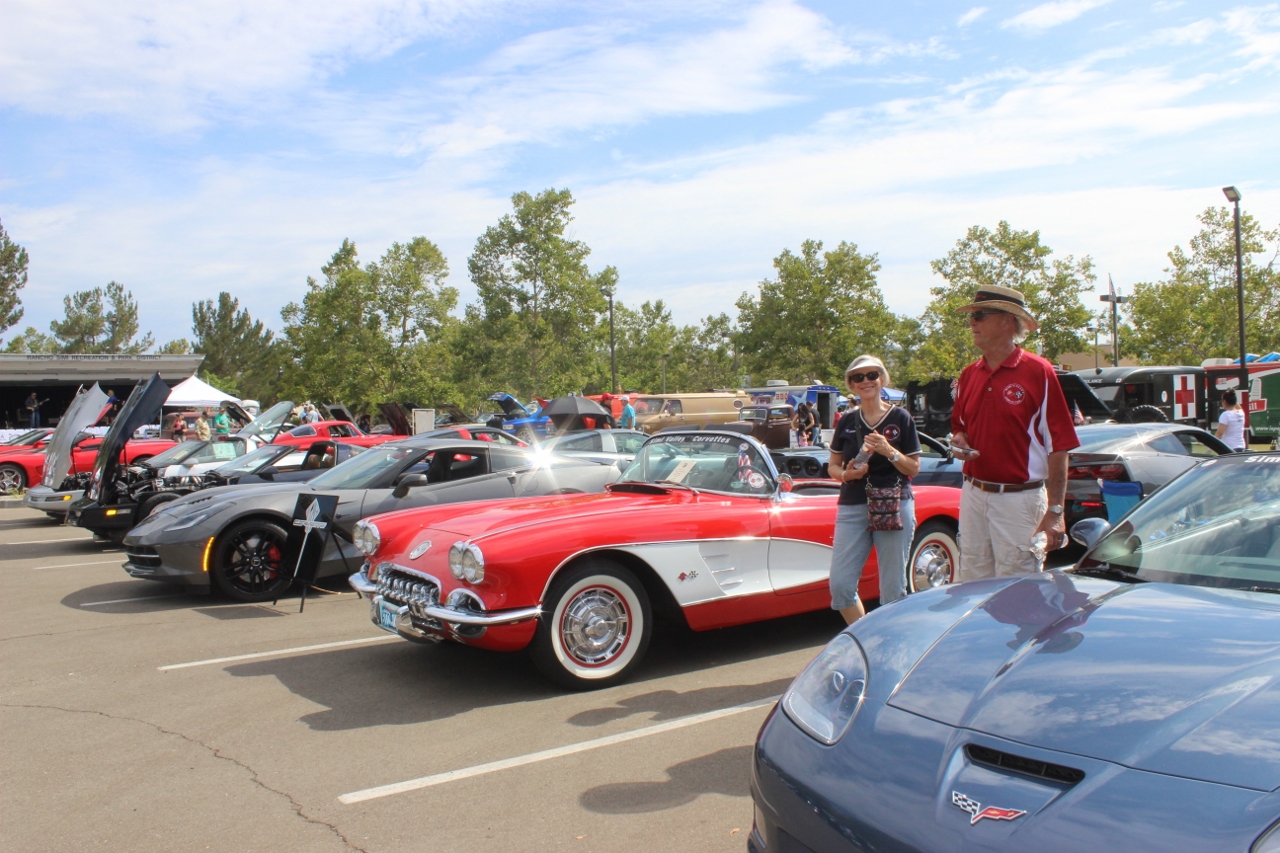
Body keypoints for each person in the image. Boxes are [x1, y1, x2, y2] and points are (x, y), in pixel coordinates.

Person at [950, 285, 1080, 581]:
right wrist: (959, 440)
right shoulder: (969, 374)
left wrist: (1056, 511)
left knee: (1018, 593)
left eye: (980, 315)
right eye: (972, 316)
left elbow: (1059, 445)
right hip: (973, 494)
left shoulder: (1038, 371)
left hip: (1019, 501)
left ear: (1008, 321)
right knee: (971, 587)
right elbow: (959, 426)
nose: (972, 322)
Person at [827, 355, 922, 624]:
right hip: (853, 503)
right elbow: (832, 467)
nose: (866, 381)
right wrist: (847, 474)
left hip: (893, 504)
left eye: (872, 375)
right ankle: (867, 638)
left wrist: (889, 451)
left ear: (882, 379)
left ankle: (891, 644)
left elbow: (913, 468)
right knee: (841, 587)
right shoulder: (846, 421)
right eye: (858, 377)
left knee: (892, 590)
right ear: (852, 385)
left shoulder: (901, 418)